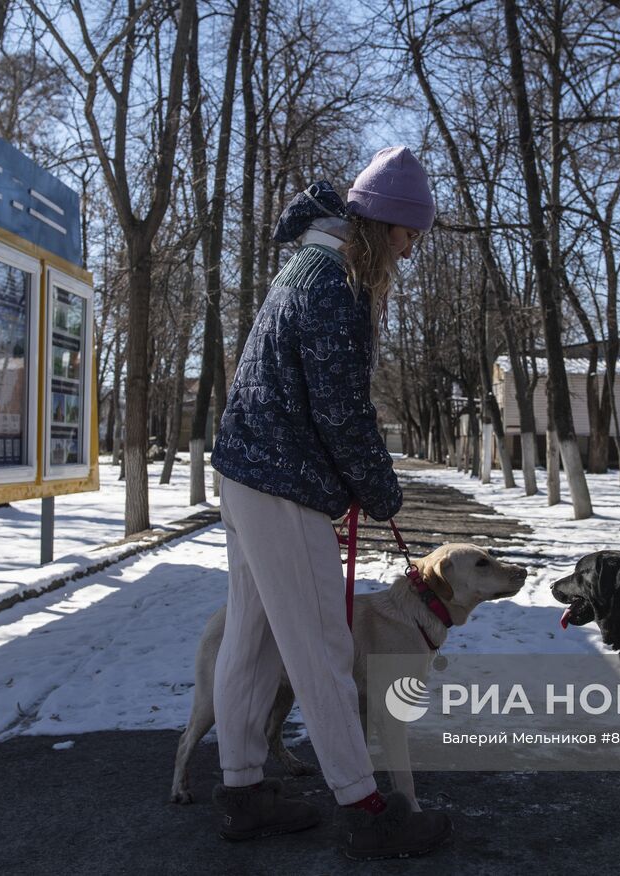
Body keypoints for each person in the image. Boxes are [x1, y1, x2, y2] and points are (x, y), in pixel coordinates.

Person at [208, 146, 451, 860]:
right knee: (322, 647)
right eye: (407, 236)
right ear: (378, 224)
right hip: (283, 483)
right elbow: (341, 409)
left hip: (250, 472)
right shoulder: (335, 282)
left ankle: (242, 791)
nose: (407, 253)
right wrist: (380, 489)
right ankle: (367, 806)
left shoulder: (308, 266)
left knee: (251, 639)